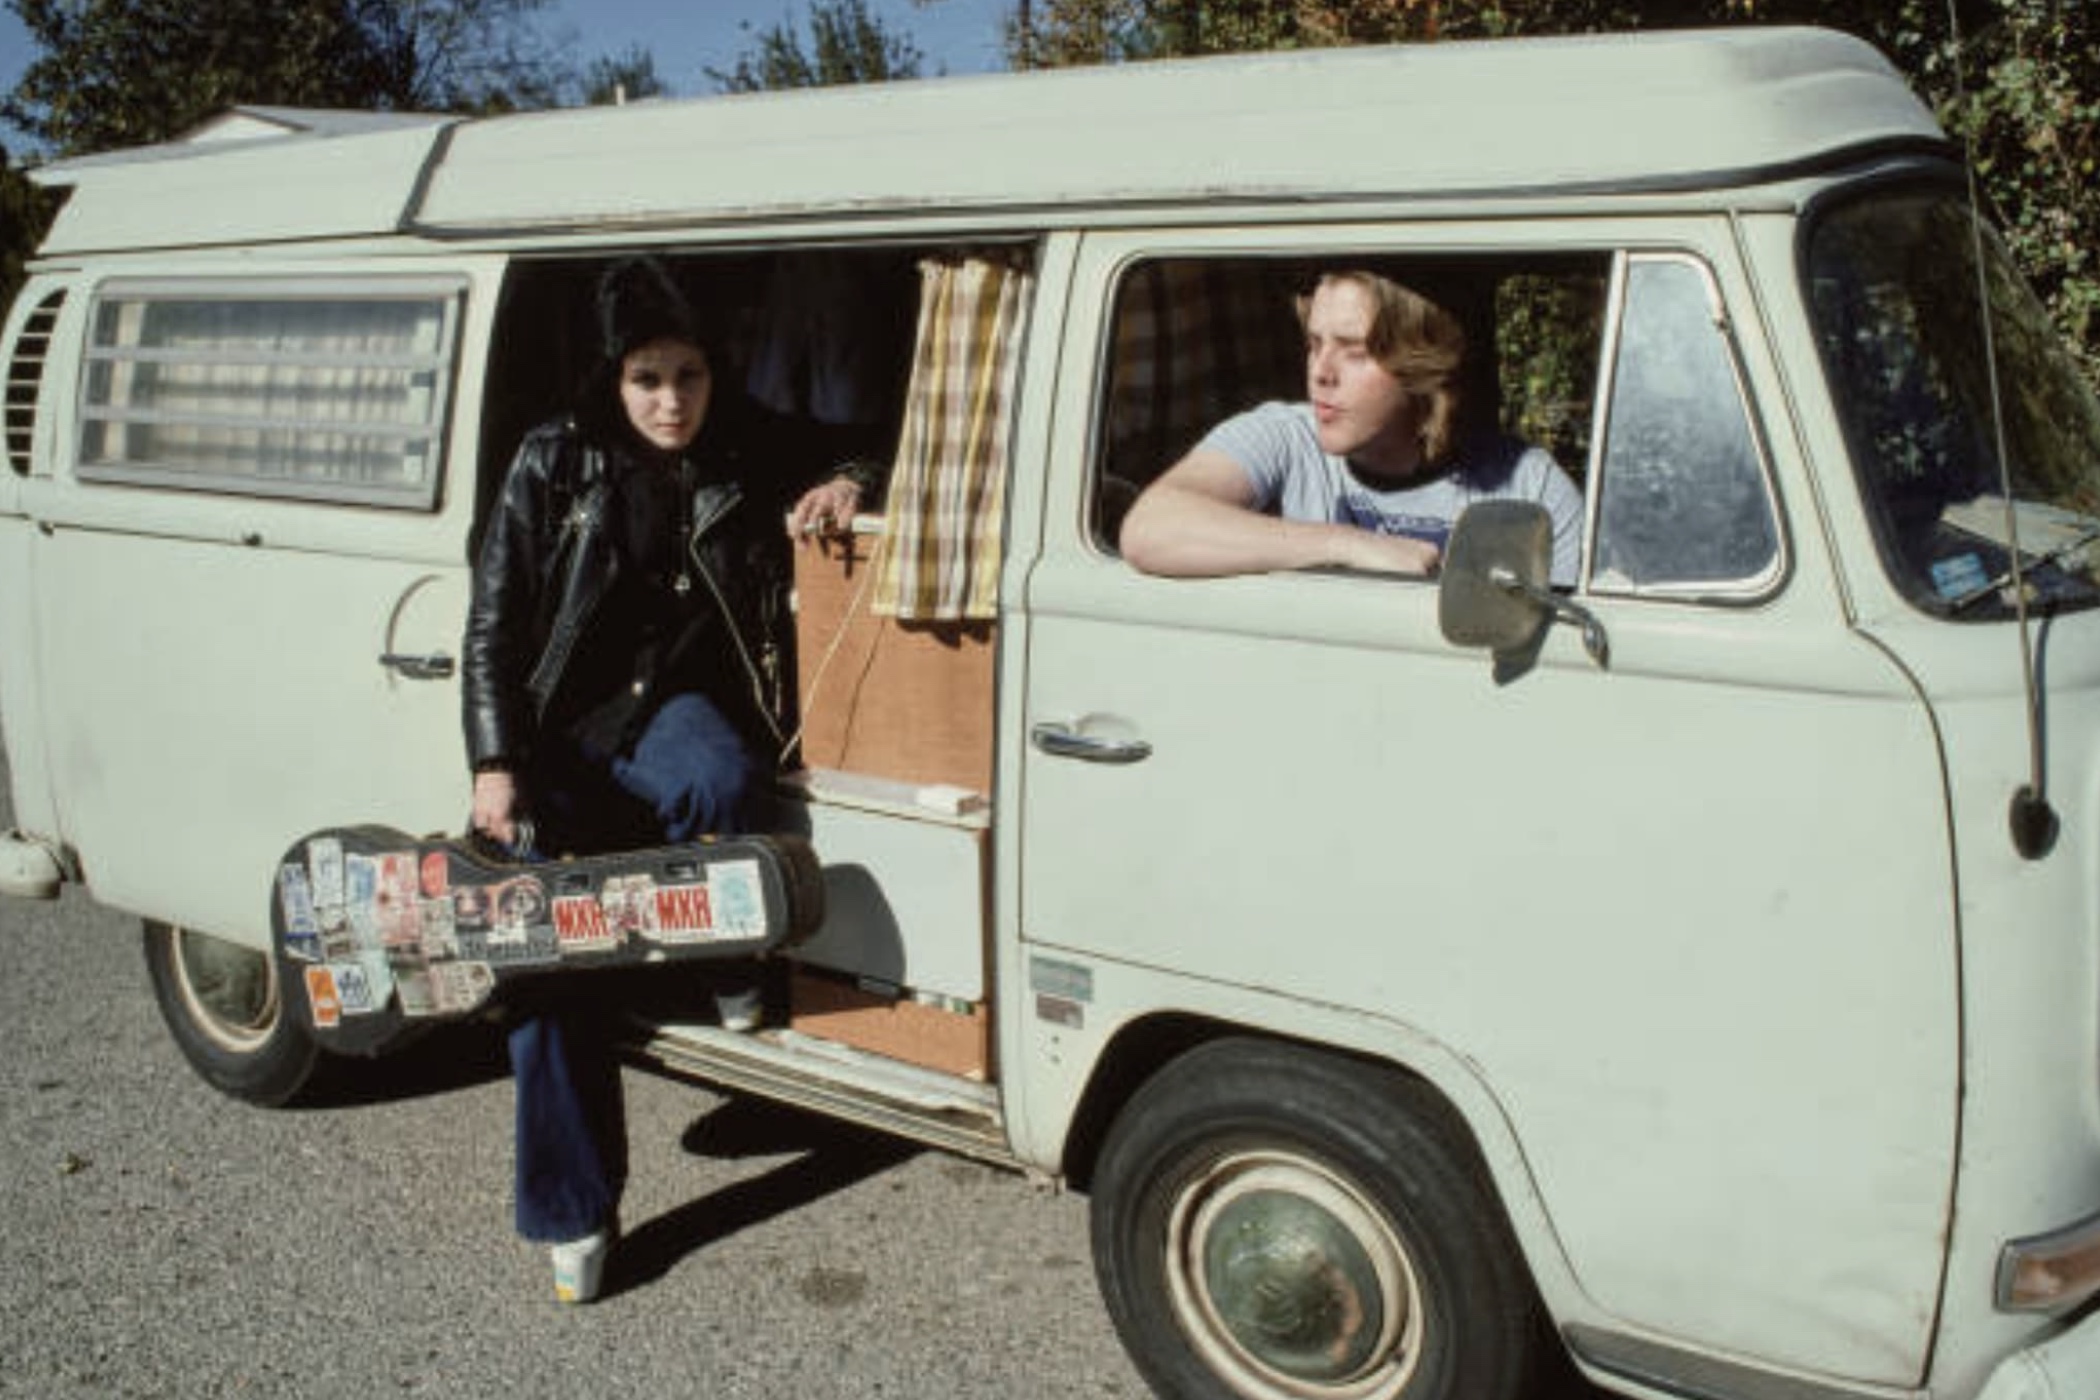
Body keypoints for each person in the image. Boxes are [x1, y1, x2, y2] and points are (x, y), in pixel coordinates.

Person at [460, 255, 882, 1305]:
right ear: (615, 375)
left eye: (687, 375)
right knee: (542, 966)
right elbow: (494, 626)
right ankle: (572, 1215)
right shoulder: (551, 461)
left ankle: (725, 956)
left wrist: (851, 484)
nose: (670, 401)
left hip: (671, 715)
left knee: (730, 782)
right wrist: (496, 764)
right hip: (563, 730)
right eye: (648, 377)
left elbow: (856, 445)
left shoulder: (742, 437)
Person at [1118, 270, 1583, 586]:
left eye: (1353, 351)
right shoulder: (1284, 436)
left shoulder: (1526, 484)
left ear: (1418, 364)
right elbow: (1150, 529)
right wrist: (1349, 546)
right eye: (1314, 343)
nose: (1321, 372)